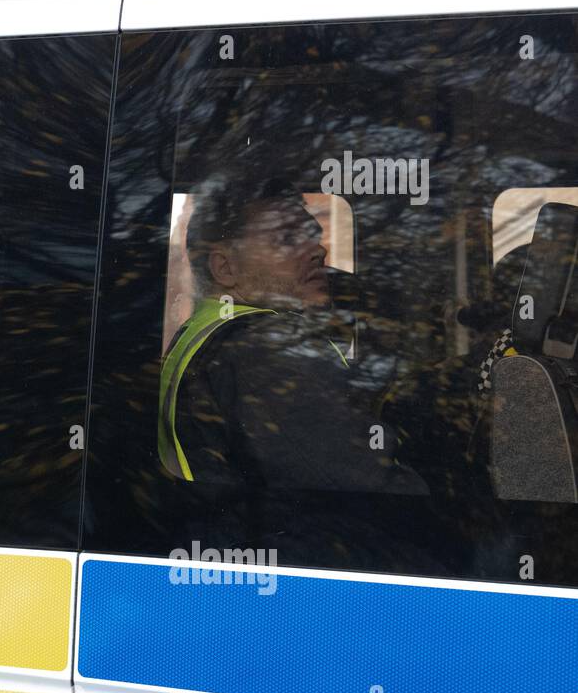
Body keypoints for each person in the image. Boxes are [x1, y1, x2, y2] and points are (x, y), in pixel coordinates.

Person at [158, 176, 426, 494]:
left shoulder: (204, 334)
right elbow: (371, 490)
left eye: (313, 236)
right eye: (286, 238)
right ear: (225, 268)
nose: (318, 250)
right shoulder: (266, 350)